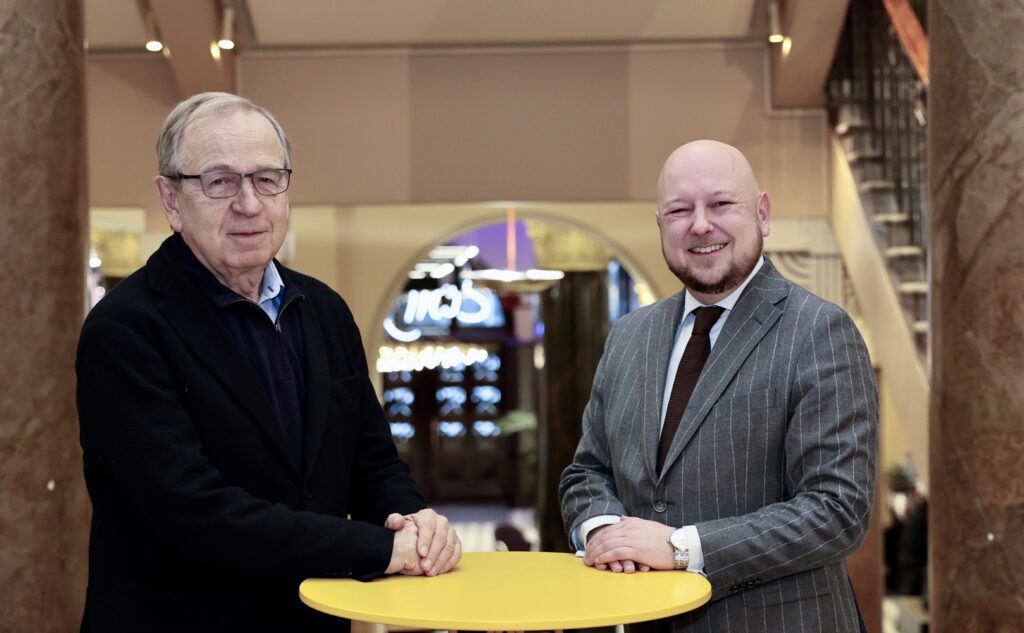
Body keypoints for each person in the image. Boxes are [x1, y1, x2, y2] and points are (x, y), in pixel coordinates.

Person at [76, 92, 461, 633]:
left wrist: (412, 522)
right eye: (219, 181)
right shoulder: (125, 329)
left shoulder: (324, 309)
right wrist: (380, 548)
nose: (249, 204)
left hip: (314, 619)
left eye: (266, 179)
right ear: (171, 200)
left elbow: (371, 460)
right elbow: (194, 512)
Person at [559, 140, 877, 633]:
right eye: (679, 210)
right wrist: (604, 530)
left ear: (762, 214)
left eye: (721, 203)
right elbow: (587, 473)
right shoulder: (628, 335)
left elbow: (837, 510)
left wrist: (680, 547)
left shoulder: (819, 331)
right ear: (660, 225)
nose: (701, 225)